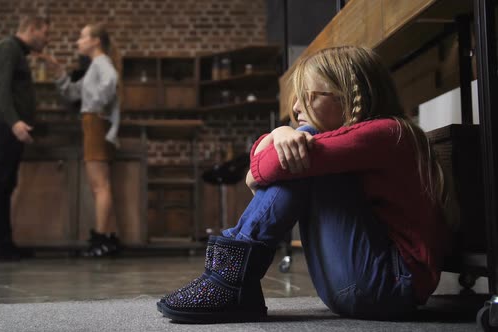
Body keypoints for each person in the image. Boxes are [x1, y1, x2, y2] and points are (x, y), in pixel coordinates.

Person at [157, 46, 455, 323]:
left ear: (351, 96)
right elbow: (262, 166)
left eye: (309, 96)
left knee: (304, 146)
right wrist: (280, 132)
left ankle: (229, 278)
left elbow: (264, 168)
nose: (297, 107)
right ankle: (231, 279)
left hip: (391, 284)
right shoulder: (370, 138)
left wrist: (280, 141)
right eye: (295, 98)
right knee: (302, 145)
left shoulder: (389, 133)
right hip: (356, 285)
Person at [42, 23, 121, 257]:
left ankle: (100, 241)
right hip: (92, 123)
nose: (78, 41)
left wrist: (96, 106)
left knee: (100, 186)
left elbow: (111, 81)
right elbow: (73, 92)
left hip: (95, 123)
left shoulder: (101, 63)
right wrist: (58, 72)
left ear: (95, 40)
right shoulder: (95, 66)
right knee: (101, 185)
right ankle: (108, 237)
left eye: (82, 36)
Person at [0, 14, 49, 261]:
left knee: (6, 185)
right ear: (32, 29)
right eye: (45, 33)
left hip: (10, 127)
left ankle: (4, 243)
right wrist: (14, 122)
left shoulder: (17, 52)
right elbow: (0, 89)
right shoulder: (8, 48)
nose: (46, 39)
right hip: (5, 127)